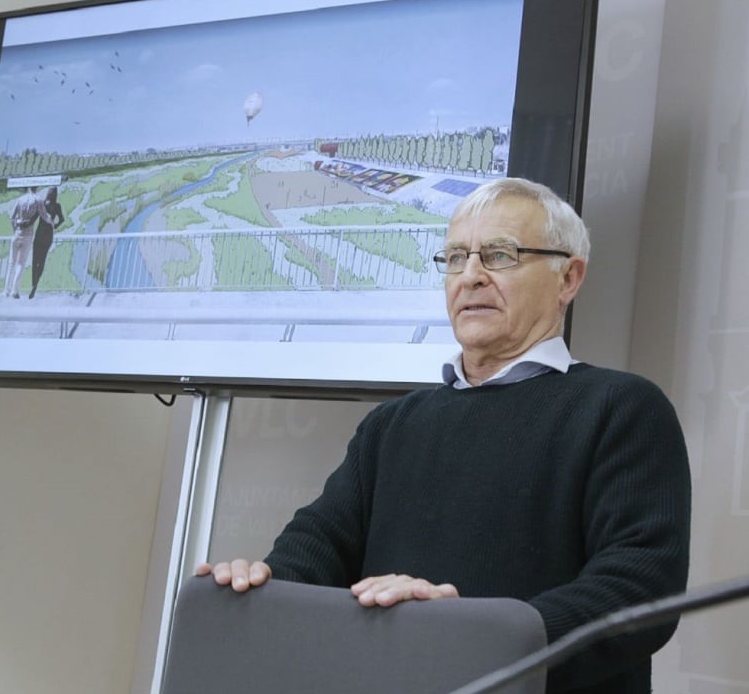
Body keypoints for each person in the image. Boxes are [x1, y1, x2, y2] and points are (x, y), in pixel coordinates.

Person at [197, 177, 691, 694]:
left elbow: (638, 588)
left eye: (499, 255)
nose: (470, 276)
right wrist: (261, 586)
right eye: (455, 258)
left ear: (568, 277)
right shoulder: (393, 424)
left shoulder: (622, 408)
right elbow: (317, 545)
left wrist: (471, 637)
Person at [4, 187, 45, 298]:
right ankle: (15, 291)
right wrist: (51, 223)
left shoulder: (20, 199)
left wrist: (15, 229)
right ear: (37, 188)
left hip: (17, 234)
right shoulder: (38, 200)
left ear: (28, 188)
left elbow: (12, 218)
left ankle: (6, 290)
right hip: (28, 235)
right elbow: (44, 216)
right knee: (21, 264)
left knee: (11, 263)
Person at [27, 186, 65, 300]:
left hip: (39, 235)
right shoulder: (57, 206)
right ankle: (36, 284)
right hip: (48, 235)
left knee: (35, 260)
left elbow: (33, 219)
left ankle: (33, 283)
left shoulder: (42, 204)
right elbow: (62, 219)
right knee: (42, 260)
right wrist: (55, 226)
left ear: (48, 193)